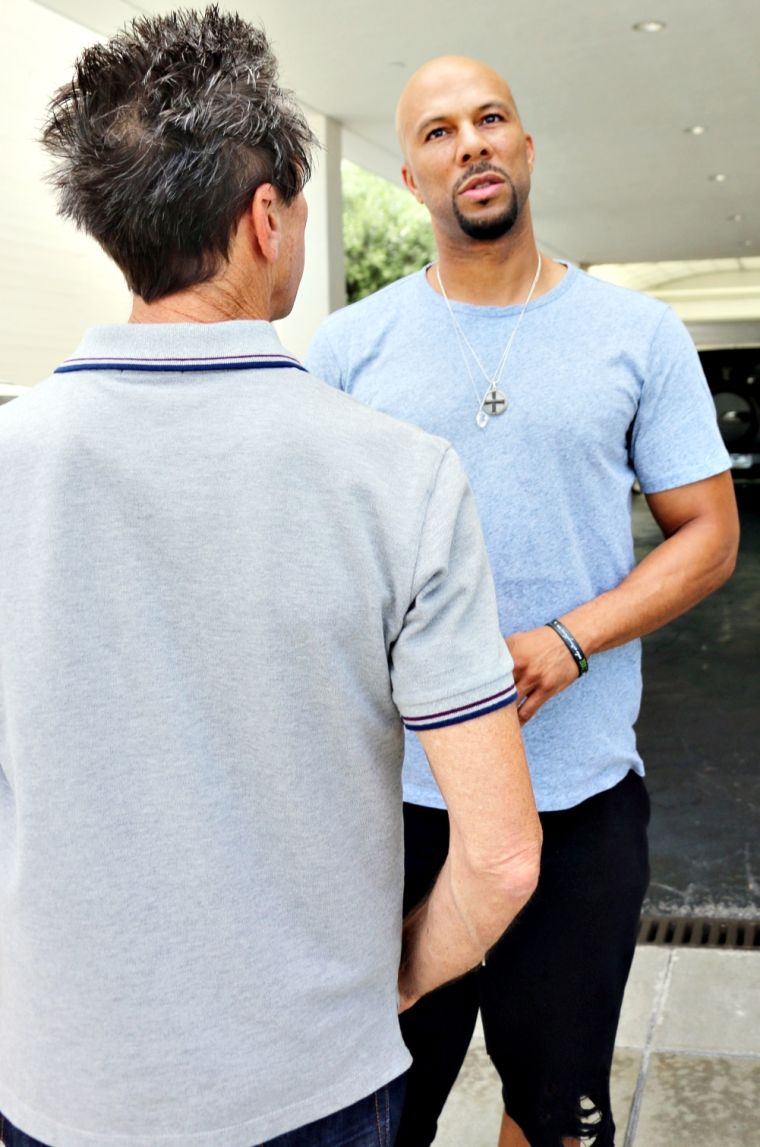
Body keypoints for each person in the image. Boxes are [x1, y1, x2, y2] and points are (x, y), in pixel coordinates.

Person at [0, 23, 543, 1147]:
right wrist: (388, 984)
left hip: (54, 1080)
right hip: (309, 1079)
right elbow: (497, 856)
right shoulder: (400, 476)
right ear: (265, 220)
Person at [306, 54, 740, 1147]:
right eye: (440, 132)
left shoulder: (636, 335)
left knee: (555, 1112)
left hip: (580, 801)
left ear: (526, 146)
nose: (472, 144)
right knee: (376, 1109)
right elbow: (311, 564)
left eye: (490, 119)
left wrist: (567, 640)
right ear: (408, 177)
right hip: (396, 806)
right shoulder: (350, 349)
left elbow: (709, 535)